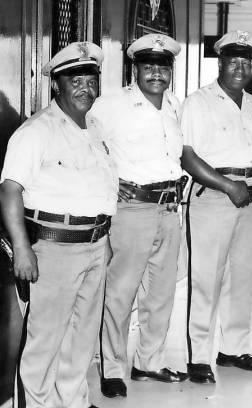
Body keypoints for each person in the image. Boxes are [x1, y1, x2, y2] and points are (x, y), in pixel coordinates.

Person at [0, 42, 115, 408]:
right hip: (53, 248)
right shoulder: (36, 131)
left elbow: (99, 185)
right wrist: (21, 248)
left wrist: (104, 236)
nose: (85, 89)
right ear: (57, 86)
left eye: (91, 80)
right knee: (44, 340)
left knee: (81, 334)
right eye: (75, 81)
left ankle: (73, 400)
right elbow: (9, 191)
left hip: (94, 244)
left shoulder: (94, 126)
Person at [88, 33, 186, 398]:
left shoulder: (174, 105)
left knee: (161, 293)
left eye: (162, 67)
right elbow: (90, 149)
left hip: (169, 207)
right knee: (121, 292)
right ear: (135, 69)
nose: (156, 74)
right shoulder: (110, 105)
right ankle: (112, 367)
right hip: (131, 209)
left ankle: (149, 362)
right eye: (149, 67)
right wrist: (112, 187)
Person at [180, 29, 252, 384]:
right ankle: (199, 357)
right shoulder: (198, 102)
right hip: (215, 197)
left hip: (249, 199)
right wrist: (227, 185)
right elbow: (187, 156)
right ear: (220, 62)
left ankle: (233, 350)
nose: (239, 67)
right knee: (207, 281)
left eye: (245, 61)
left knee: (243, 279)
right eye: (232, 60)